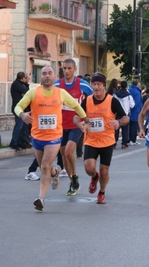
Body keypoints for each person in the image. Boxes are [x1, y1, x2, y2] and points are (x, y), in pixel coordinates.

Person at [15, 66, 88, 211]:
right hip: (37, 136)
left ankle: (41, 199)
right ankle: (55, 172)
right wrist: (22, 115)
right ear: (40, 77)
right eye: (44, 74)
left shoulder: (60, 93)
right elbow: (18, 106)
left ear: (54, 76)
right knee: (46, 167)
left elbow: (76, 105)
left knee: (43, 165)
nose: (47, 76)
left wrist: (85, 119)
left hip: (54, 137)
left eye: (49, 73)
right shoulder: (33, 93)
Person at [73, 72, 129, 204]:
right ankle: (94, 176)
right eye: (94, 84)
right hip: (91, 140)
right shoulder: (87, 101)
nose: (96, 87)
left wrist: (118, 122)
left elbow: (126, 117)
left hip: (107, 141)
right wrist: (80, 124)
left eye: (98, 84)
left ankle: (102, 192)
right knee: (88, 167)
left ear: (104, 86)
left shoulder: (112, 101)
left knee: (104, 171)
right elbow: (76, 117)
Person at [54, 58, 93, 196]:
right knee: (64, 156)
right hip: (60, 125)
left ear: (75, 69)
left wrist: (88, 120)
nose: (66, 71)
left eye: (69, 68)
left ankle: (74, 177)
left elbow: (92, 101)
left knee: (69, 151)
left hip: (76, 124)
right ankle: (73, 181)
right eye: (64, 68)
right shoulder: (57, 84)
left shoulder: (83, 85)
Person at [9, 72, 30, 151]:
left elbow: (27, 92)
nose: (27, 79)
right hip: (18, 109)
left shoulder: (21, 84)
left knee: (24, 126)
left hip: (23, 109)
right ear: (22, 78)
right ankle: (14, 142)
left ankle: (21, 142)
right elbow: (28, 92)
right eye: (26, 78)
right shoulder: (17, 84)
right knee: (19, 126)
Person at [114, 80, 135, 149]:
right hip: (125, 113)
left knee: (116, 129)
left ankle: (114, 143)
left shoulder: (115, 94)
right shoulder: (128, 95)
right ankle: (124, 144)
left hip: (117, 113)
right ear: (126, 86)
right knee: (125, 129)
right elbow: (132, 105)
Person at [128, 79, 142, 146]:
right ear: (137, 83)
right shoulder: (137, 92)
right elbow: (137, 102)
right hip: (135, 111)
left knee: (129, 126)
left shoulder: (129, 90)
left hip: (129, 111)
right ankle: (133, 140)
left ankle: (129, 139)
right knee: (134, 126)